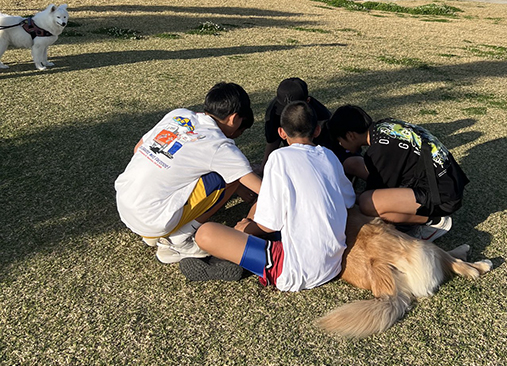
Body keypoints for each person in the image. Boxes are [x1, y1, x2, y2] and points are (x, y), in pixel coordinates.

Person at [185, 101, 356, 290]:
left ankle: (232, 259)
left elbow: (268, 225)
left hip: (293, 269)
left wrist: (244, 229)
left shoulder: (279, 157)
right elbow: (349, 199)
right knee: (261, 206)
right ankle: (237, 255)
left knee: (205, 234)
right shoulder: (329, 156)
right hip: (332, 265)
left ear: (281, 133)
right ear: (317, 130)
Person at [115, 82, 261, 267]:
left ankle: (154, 234)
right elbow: (262, 189)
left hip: (125, 204)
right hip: (153, 219)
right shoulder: (220, 146)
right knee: (227, 177)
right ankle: (179, 240)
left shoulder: (178, 114)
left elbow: (139, 148)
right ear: (234, 119)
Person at [327, 105, 469, 241]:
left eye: (340, 142)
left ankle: (435, 222)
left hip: (443, 196)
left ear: (350, 135)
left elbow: (374, 195)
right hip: (445, 180)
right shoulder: (384, 126)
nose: (341, 146)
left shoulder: (381, 150)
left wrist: (347, 196)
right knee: (354, 167)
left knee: (367, 203)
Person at [260, 77, 351, 171]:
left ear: (308, 101)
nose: (289, 113)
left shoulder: (322, 118)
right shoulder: (274, 112)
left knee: (350, 162)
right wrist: (264, 168)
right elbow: (273, 139)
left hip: (326, 152)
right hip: (296, 151)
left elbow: (325, 151)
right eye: (284, 108)